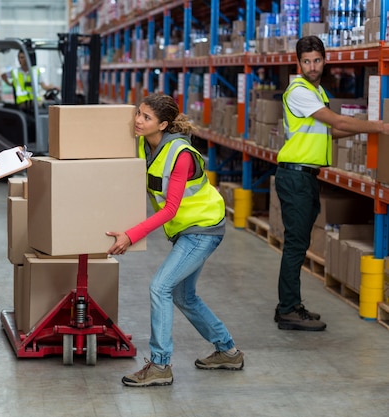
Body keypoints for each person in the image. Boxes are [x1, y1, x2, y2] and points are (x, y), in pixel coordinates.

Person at [106, 93, 243, 388]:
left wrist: (131, 235)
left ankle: (160, 364)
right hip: (186, 230)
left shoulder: (180, 154)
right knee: (183, 296)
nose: (138, 121)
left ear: (163, 124)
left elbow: (170, 209)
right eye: (138, 114)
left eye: (146, 117)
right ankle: (228, 351)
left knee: (160, 287)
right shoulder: (145, 145)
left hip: (202, 229)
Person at [275, 35, 389, 331]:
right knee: (296, 244)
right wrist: (378, 126)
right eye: (306, 61)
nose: (312, 66)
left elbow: (330, 132)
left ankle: (290, 305)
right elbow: (336, 122)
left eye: (317, 60)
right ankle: (287, 309)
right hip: (295, 176)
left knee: (299, 243)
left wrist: (364, 130)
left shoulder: (317, 91)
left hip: (306, 176)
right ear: (298, 63)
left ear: (325, 61)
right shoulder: (299, 91)